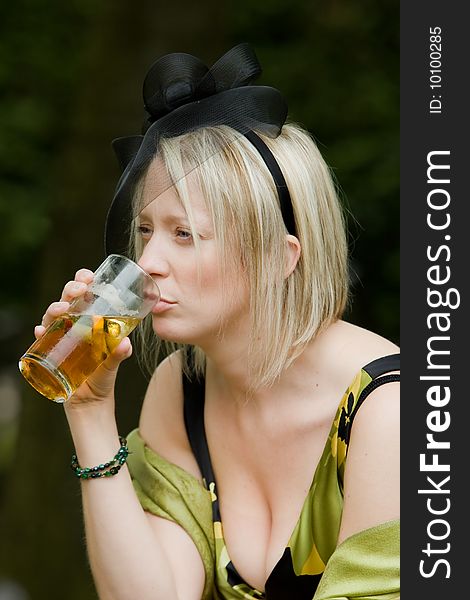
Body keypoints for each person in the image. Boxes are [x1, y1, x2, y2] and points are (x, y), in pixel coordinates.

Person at [35, 44, 399, 600]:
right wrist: (89, 412)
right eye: (145, 231)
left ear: (281, 257)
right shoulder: (184, 388)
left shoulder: (390, 411)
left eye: (184, 234)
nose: (148, 262)